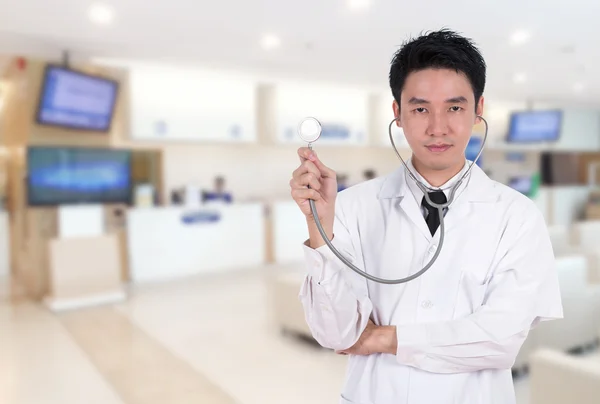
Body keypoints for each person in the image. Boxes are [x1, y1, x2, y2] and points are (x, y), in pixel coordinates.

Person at [289, 29, 562, 404]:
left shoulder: (517, 216)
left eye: (454, 107)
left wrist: (383, 337)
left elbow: (499, 340)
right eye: (420, 108)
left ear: (478, 109)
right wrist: (318, 228)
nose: (437, 127)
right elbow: (336, 334)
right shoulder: (351, 207)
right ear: (397, 114)